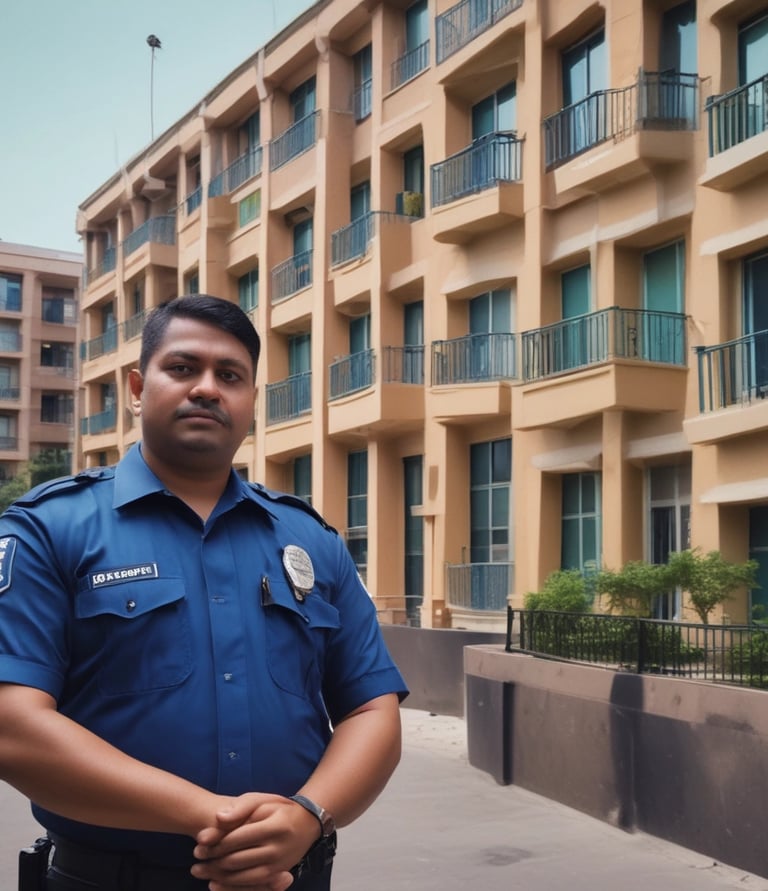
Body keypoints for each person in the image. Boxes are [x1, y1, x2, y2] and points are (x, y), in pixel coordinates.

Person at [0, 294, 408, 891]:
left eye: (231, 375)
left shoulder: (311, 541)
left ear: (250, 403)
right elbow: (13, 725)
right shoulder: (47, 528)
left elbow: (373, 710)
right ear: (138, 387)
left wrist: (306, 817)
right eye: (184, 368)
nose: (208, 388)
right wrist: (219, 822)